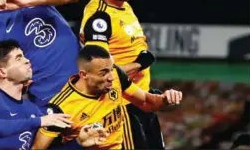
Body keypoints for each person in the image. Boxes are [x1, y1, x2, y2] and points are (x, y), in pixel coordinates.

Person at [79, 0, 165, 149]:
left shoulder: (123, 5)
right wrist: (140, 63)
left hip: (141, 102)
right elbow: (98, 72)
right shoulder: (99, 18)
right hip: (123, 107)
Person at [32, 45, 183, 149]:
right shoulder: (61, 108)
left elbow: (145, 102)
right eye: (103, 73)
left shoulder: (116, 76)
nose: (111, 77)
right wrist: (78, 143)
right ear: (84, 75)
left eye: (111, 69)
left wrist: (165, 99)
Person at [0, 40, 108, 150]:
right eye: (18, 58)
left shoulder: (32, 110)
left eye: (24, 56)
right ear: (2, 72)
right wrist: (39, 121)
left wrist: (78, 143)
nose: (27, 60)